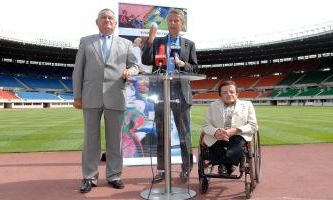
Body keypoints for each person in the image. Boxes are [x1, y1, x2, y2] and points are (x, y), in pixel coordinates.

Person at [72, 8, 139, 193]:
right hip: (90, 96)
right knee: (90, 139)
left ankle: (114, 175)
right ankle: (89, 177)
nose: (107, 20)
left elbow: (135, 66)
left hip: (116, 95)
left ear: (115, 23)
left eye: (110, 18)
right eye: (104, 18)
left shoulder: (126, 44)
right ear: (97, 22)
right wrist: (77, 95)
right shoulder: (86, 42)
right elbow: (78, 69)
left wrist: (130, 71)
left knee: (115, 140)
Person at [141, 9, 198, 183]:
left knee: (183, 134)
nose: (172, 23)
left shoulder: (189, 44)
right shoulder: (158, 41)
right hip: (161, 91)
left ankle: (186, 169)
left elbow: (195, 69)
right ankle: (162, 170)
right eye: (170, 21)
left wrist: (183, 64)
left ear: (182, 24)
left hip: (181, 92)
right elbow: (146, 60)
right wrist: (150, 41)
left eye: (176, 21)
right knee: (161, 133)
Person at [202, 80, 258, 175]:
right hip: (218, 136)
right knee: (214, 149)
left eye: (232, 92)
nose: (229, 94)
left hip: (239, 135)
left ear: (237, 94)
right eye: (225, 92)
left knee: (232, 153)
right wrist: (216, 131)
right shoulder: (213, 106)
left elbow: (253, 125)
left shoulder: (247, 105)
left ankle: (225, 163)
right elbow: (206, 125)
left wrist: (236, 130)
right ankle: (226, 164)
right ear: (220, 96)